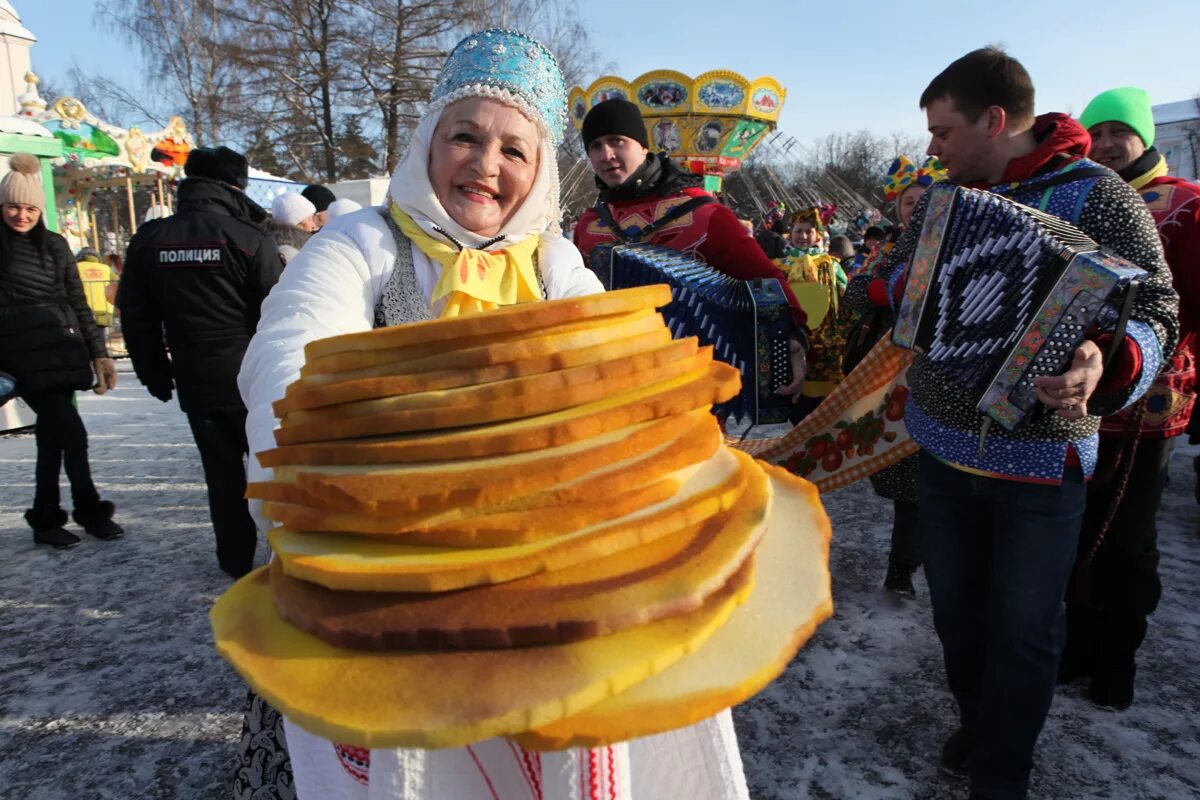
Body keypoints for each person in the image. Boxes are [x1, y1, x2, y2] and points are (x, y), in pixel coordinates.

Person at [237, 28, 754, 800]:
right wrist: (355, 505)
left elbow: (624, 363)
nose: (486, 165)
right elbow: (286, 364)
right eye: (466, 138)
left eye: (515, 150)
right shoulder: (360, 246)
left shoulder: (555, 262)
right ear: (427, 144)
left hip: (537, 568)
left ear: (540, 170)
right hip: (379, 559)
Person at [879, 48, 1178, 800]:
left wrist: (1104, 364)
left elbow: (1157, 310)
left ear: (994, 119)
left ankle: (1002, 770)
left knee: (1024, 628)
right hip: (944, 449)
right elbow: (894, 288)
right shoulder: (941, 198)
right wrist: (889, 282)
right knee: (958, 619)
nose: (933, 148)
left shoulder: (1099, 195)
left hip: (1041, 462)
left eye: (943, 132)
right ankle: (982, 722)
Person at [1056, 87, 1200, 710]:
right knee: (1073, 529)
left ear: (1144, 138)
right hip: (1071, 400)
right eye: (1099, 132)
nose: (1110, 144)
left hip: (1148, 404)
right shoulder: (1080, 199)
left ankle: (1118, 657)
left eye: (1122, 131)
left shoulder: (1186, 206)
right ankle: (1079, 644)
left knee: (1129, 535)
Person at [117, 145, 284, 579]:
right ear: (236, 186)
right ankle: (290, 555)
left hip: (197, 379)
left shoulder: (152, 239)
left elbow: (136, 316)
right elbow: (282, 310)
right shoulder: (249, 239)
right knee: (277, 468)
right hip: (254, 378)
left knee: (222, 476)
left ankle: (234, 563)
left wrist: (153, 371)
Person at [572, 97, 808, 397]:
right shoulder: (589, 226)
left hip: (699, 381)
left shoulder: (703, 213)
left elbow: (765, 278)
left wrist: (792, 335)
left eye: (617, 141)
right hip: (609, 380)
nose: (606, 154)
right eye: (595, 146)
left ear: (643, 146)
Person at [0, 153, 122, 548]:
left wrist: (98, 352)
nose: (22, 215)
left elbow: (77, 301)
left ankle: (46, 519)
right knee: (73, 434)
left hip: (63, 353)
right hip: (21, 360)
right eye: (14, 207)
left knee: (52, 440)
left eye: (30, 208)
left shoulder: (55, 245)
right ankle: (88, 510)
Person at [775, 207, 848, 421]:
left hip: (826, 343)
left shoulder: (831, 265)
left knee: (824, 408)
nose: (803, 236)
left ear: (818, 234)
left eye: (809, 231)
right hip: (792, 341)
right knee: (795, 404)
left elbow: (845, 298)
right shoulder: (779, 267)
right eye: (798, 231)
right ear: (791, 233)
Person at [269, 191, 318, 263]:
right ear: (299, 222)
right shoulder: (288, 252)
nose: (313, 225)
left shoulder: (278, 243)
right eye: (310, 219)